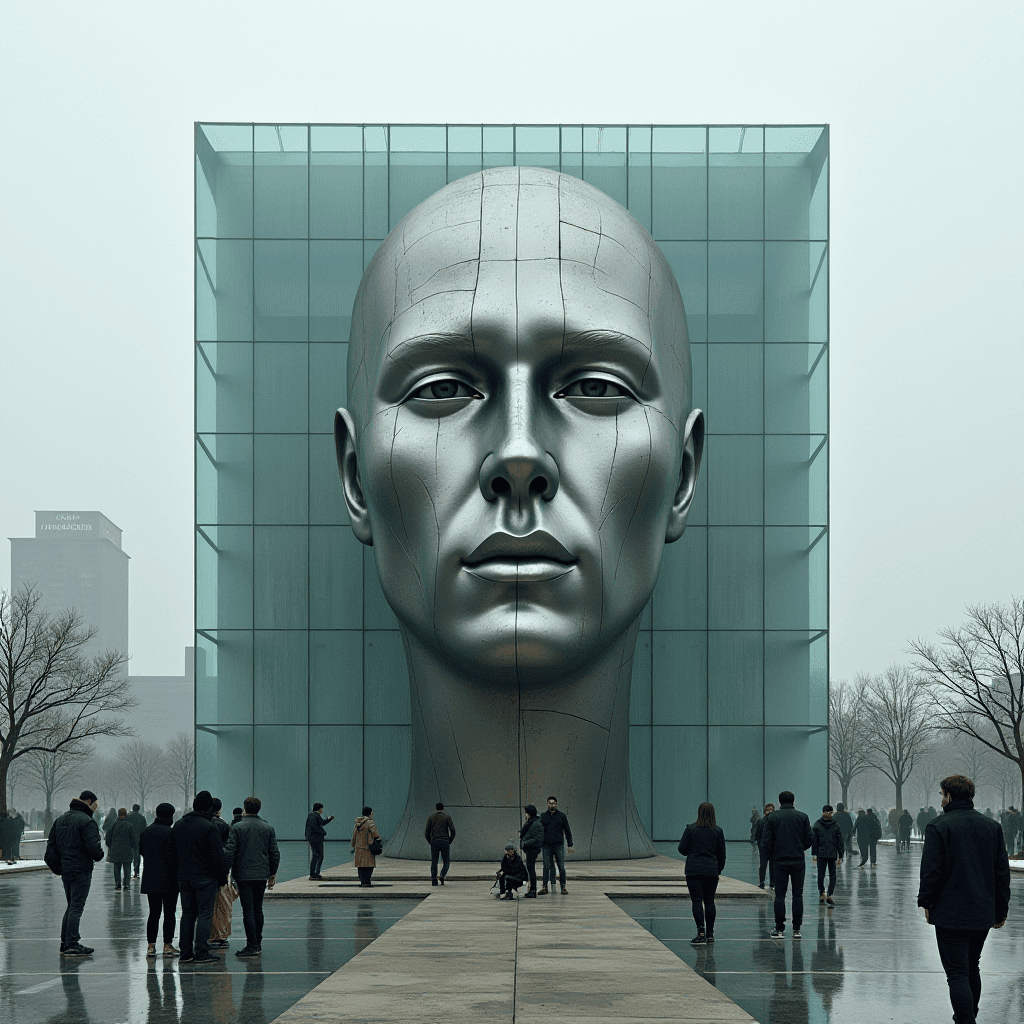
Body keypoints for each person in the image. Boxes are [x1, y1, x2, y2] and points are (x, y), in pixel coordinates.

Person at [917, 775, 1011, 1024]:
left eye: (941, 794)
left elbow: (931, 871)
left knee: (956, 973)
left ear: (948, 796)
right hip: (982, 910)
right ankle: (969, 1014)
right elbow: (1001, 872)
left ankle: (966, 1019)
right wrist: (1001, 909)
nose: (941, 799)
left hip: (949, 911)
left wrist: (926, 902)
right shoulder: (992, 826)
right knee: (972, 966)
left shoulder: (939, 826)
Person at [45, 789, 104, 956]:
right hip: (81, 868)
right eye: (95, 804)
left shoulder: (61, 819)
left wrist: (58, 866)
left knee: (71, 906)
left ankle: (66, 942)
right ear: (89, 802)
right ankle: (71, 943)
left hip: (66, 868)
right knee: (76, 907)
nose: (95, 808)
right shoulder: (86, 821)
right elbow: (94, 848)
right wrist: (99, 855)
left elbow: (52, 845)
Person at [172, 790, 229, 964]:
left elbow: (172, 852)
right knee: (205, 914)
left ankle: (185, 953)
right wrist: (223, 877)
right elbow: (217, 856)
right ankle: (202, 951)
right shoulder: (209, 827)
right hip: (205, 877)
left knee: (188, 914)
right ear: (209, 809)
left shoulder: (179, 824)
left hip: (184, 876)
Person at [224, 795, 280, 958]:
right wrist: (272, 872)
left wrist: (225, 871)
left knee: (248, 909)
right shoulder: (267, 828)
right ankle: (258, 942)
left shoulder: (237, 827)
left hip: (243, 874)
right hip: (261, 873)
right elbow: (274, 853)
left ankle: (251, 944)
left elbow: (230, 852)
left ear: (244, 808)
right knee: (258, 908)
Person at [762, 790, 813, 939]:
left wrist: (776, 851)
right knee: (798, 894)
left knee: (780, 895)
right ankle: (797, 928)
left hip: (779, 861)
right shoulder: (802, 817)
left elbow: (766, 841)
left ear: (779, 802)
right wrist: (799, 848)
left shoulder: (772, 817)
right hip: (797, 860)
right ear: (793, 801)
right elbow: (810, 839)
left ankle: (779, 929)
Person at [678, 802, 726, 946]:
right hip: (711, 870)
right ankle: (711, 934)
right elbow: (722, 855)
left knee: (697, 900)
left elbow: (682, 849)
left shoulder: (691, 829)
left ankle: (701, 933)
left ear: (699, 812)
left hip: (694, 870)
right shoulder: (718, 831)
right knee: (710, 901)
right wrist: (718, 871)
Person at [138, 802, 179, 958]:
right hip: (170, 879)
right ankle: (167, 945)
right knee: (170, 912)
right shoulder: (171, 833)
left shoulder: (146, 832)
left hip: (151, 877)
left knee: (154, 913)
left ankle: (151, 946)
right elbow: (174, 856)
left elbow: (141, 851)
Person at [208, 797, 234, 950]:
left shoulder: (200, 823)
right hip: (220, 870)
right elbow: (227, 849)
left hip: (201, 871)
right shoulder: (222, 825)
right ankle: (219, 935)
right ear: (219, 809)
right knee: (221, 905)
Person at [539, 796, 573, 895]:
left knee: (561, 866)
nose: (551, 805)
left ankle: (563, 886)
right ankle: (545, 887)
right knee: (546, 866)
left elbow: (567, 830)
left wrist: (570, 844)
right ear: (547, 804)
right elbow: (540, 831)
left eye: (553, 803)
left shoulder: (562, 816)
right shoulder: (543, 816)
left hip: (558, 845)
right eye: (550, 803)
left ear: (556, 804)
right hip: (546, 846)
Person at [811, 805, 844, 907]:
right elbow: (814, 841)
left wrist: (841, 855)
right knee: (823, 875)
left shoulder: (818, 825)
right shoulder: (833, 825)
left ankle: (828, 894)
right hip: (824, 854)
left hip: (828, 853)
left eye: (829, 812)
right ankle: (823, 893)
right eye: (826, 812)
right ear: (823, 812)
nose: (827, 814)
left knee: (830, 875)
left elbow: (840, 841)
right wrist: (814, 854)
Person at [423, 801, 456, 886]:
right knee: (446, 862)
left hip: (434, 841)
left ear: (436, 809)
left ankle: (434, 880)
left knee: (434, 861)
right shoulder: (447, 817)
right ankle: (442, 875)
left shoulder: (431, 818)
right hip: (445, 841)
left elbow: (426, 832)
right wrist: (450, 840)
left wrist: (430, 841)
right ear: (443, 808)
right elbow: (453, 830)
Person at [519, 804, 544, 898]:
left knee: (531, 869)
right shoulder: (530, 822)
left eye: (526, 813)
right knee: (530, 869)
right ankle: (531, 889)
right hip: (530, 849)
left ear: (529, 813)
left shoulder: (537, 823)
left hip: (532, 849)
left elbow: (538, 838)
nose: (525, 814)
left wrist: (525, 843)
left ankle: (533, 890)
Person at [351, 807, 380, 887]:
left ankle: (362, 882)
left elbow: (354, 836)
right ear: (370, 813)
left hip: (359, 848)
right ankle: (367, 882)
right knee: (369, 866)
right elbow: (376, 835)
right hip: (368, 848)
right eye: (372, 813)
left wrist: (353, 845)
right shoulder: (370, 823)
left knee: (360, 866)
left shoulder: (357, 823)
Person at [107, 808, 135, 892]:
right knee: (127, 868)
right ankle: (126, 884)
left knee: (117, 868)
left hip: (116, 850)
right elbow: (132, 839)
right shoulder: (129, 825)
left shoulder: (113, 824)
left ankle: (117, 884)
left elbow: (108, 838)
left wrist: (111, 846)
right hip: (127, 850)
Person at [306, 802, 335, 880]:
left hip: (313, 838)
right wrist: (323, 832)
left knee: (317, 856)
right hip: (316, 839)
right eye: (322, 809)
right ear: (319, 809)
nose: (322, 810)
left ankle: (314, 873)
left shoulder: (314, 816)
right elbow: (315, 827)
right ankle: (314, 873)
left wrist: (329, 819)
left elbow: (322, 823)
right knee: (318, 856)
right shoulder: (314, 816)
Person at [755, 803, 775, 889]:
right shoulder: (761, 821)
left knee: (771, 865)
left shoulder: (774, 821)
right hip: (764, 847)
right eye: (769, 809)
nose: (770, 811)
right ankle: (762, 882)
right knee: (763, 865)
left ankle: (772, 882)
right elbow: (757, 835)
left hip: (772, 847)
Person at [127, 804, 147, 879]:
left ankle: (128, 871)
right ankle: (136, 871)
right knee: (137, 855)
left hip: (129, 839)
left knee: (128, 855)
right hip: (138, 839)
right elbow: (144, 829)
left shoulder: (128, 817)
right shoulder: (142, 818)